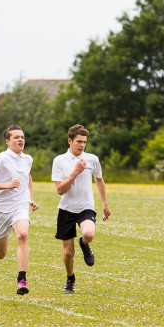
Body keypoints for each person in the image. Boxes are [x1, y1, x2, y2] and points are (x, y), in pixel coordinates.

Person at [51, 124, 111, 294]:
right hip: (67, 209)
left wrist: (105, 204)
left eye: (84, 142)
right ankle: (70, 278)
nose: (82, 145)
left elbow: (99, 180)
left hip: (86, 207)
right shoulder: (59, 161)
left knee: (89, 234)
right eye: (79, 141)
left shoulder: (92, 159)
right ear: (70, 141)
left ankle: (84, 244)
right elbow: (60, 190)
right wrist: (75, 172)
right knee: (68, 253)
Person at [0, 125, 39, 295]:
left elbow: (27, 177)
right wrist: (7, 185)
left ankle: (22, 280)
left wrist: (30, 198)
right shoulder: (0, 158)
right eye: (16, 137)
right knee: (1, 254)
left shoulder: (28, 159)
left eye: (22, 137)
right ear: (7, 142)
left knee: (23, 235)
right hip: (1, 209)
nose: (20, 140)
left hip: (20, 205)